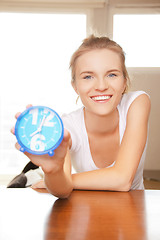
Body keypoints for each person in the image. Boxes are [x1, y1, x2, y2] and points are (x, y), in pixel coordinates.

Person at [12, 35, 151, 198]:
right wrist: (53, 172)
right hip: (88, 210)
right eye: (88, 77)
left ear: (124, 81)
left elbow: (122, 180)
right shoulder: (67, 127)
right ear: (75, 86)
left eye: (112, 75)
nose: (101, 86)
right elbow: (62, 191)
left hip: (133, 210)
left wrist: (67, 180)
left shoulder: (137, 103)